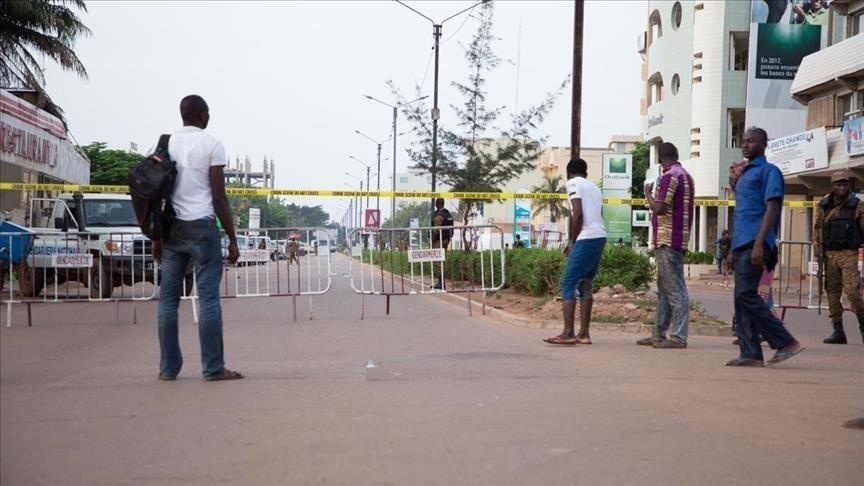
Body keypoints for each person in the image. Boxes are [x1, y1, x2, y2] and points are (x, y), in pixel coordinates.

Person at [153, 94, 242, 382]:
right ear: (202, 115)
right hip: (203, 227)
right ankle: (213, 368)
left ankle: (168, 369)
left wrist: (156, 237)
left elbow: (156, 196)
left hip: (171, 229)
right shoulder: (212, 145)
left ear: (182, 115)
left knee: (167, 300)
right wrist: (231, 237)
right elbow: (218, 196)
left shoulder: (165, 144)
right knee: (208, 300)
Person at [725, 127, 803, 367]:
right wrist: (731, 249)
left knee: (746, 294)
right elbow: (740, 213)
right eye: (744, 141)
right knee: (740, 299)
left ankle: (785, 341)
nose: (746, 145)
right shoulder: (744, 174)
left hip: (757, 242)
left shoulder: (769, 171)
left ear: (764, 144)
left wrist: (760, 243)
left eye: (751, 141)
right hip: (741, 243)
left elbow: (772, 209)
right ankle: (750, 353)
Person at [637, 142, 695, 349]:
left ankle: (678, 337)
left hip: (667, 240)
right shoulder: (686, 175)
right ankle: (658, 334)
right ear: (677, 153)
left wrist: (648, 194)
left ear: (660, 158)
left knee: (675, 289)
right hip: (676, 239)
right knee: (665, 289)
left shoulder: (670, 176)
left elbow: (660, 208)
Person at [543, 158, 607, 345]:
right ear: (586, 173)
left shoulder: (573, 183)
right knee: (585, 283)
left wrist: (572, 240)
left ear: (568, 173)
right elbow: (599, 215)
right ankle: (584, 334)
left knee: (568, 282)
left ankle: (568, 333)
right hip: (600, 235)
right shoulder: (594, 188)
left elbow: (577, 212)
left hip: (586, 237)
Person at [813, 169, 864, 344]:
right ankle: (838, 330)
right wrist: (817, 248)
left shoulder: (857, 205)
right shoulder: (824, 205)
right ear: (833, 185)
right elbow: (818, 228)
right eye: (838, 183)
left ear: (849, 185)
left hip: (848, 253)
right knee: (833, 293)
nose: (841, 186)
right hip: (829, 254)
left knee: (853, 292)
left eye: (844, 183)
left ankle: (863, 327)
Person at [431, 197, 453, 289]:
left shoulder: (439, 215)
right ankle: (441, 282)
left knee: (438, 261)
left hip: (439, 240)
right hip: (446, 239)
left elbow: (436, 230)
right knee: (442, 260)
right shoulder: (448, 214)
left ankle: (441, 283)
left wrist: (432, 239)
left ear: (437, 204)